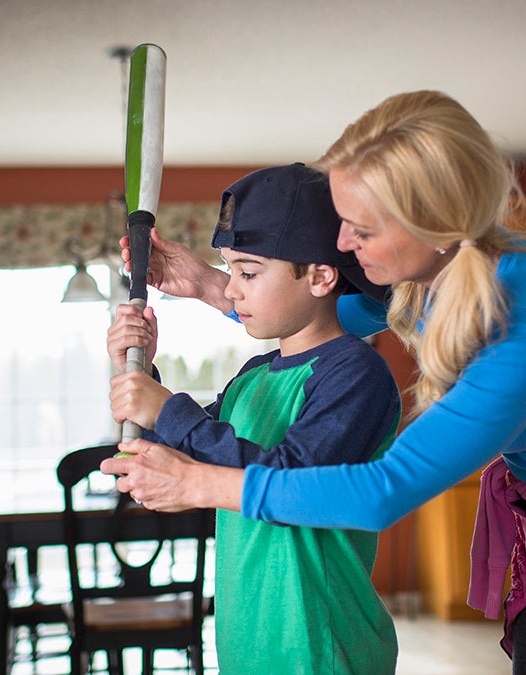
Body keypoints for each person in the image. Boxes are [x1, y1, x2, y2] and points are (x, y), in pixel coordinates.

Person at [103, 91, 526, 674]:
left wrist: (198, 482)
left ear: (434, 225)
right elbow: (314, 304)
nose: (340, 245)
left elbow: (383, 490)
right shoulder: (428, 273)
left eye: (359, 228)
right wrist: (200, 282)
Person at [107, 162, 402, 674]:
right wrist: (140, 372)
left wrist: (166, 405)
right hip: (251, 640)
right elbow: (187, 460)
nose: (232, 289)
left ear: (320, 276)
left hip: (320, 646)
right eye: (230, 269)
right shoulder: (254, 374)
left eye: (247, 272)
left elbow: (290, 480)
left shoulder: (355, 373)